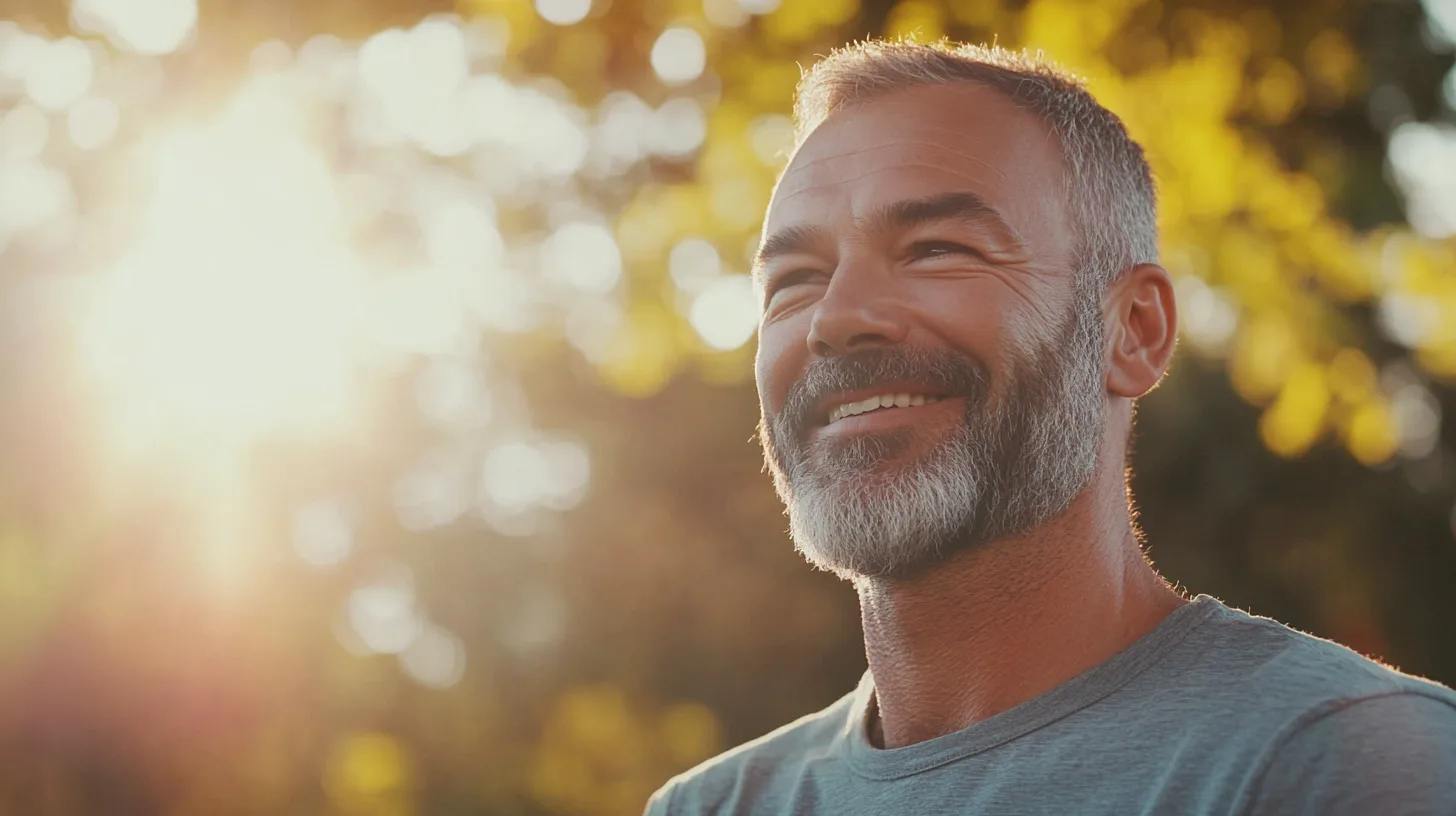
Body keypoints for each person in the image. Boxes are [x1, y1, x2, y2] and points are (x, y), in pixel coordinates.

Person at [644, 39, 1456, 815]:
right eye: (794, 279)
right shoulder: (712, 806)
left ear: (1133, 330)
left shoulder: (1346, 765)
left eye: (934, 248)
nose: (837, 317)